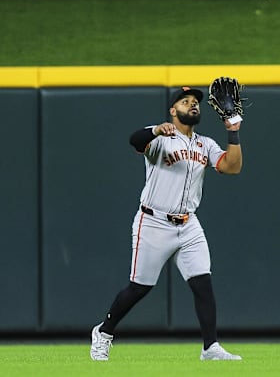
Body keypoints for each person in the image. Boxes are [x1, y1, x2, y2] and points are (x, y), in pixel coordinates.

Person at [90, 86, 243, 361]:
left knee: (202, 283)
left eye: (195, 101)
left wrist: (233, 130)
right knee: (140, 287)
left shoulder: (205, 144)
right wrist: (155, 131)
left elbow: (232, 166)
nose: (192, 105)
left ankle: (210, 347)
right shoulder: (161, 136)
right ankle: (104, 332)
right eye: (185, 102)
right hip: (154, 222)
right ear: (173, 111)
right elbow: (134, 140)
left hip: (188, 225)